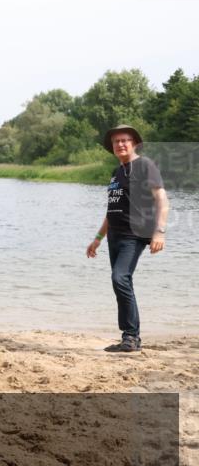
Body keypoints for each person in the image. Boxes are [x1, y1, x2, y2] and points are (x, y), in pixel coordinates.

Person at [86, 125, 169, 352]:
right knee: (122, 282)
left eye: (125, 140)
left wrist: (159, 232)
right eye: (116, 142)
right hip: (115, 235)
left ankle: (131, 337)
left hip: (135, 234)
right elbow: (112, 209)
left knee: (119, 278)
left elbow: (162, 199)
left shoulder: (145, 166)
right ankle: (130, 337)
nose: (120, 144)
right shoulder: (117, 172)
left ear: (134, 143)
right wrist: (98, 238)